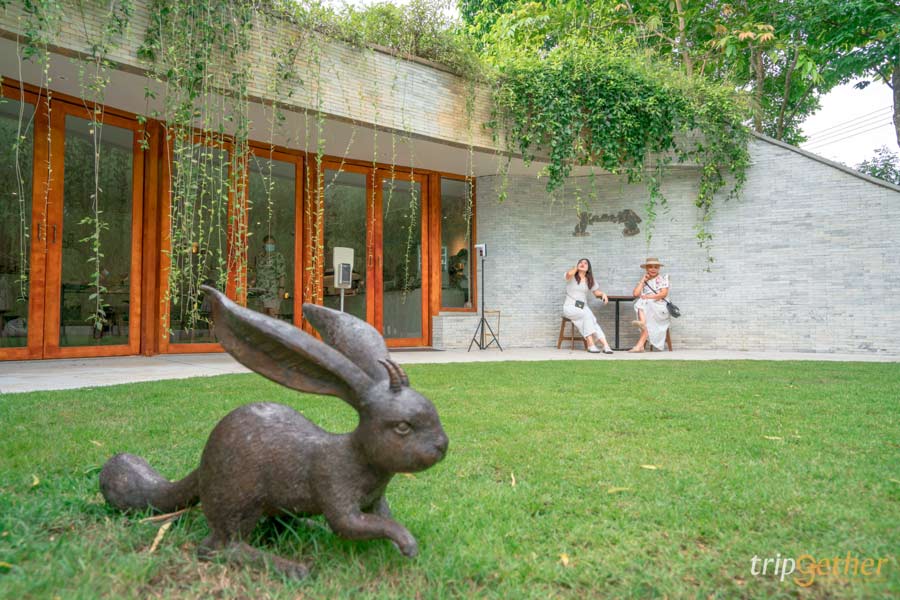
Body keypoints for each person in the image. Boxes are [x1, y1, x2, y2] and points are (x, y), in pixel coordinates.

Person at [563, 258, 613, 354]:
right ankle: (590, 344)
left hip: (582, 306)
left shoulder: (589, 279)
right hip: (570, 307)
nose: (582, 264)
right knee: (587, 315)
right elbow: (568, 274)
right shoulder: (572, 276)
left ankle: (606, 345)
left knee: (593, 320)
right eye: (580, 263)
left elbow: (596, 292)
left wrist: (603, 294)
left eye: (585, 263)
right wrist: (576, 268)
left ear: (588, 268)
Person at [629, 257, 671, 352]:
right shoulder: (645, 281)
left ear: (659, 269)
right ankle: (640, 345)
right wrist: (643, 280)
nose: (653, 269)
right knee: (642, 302)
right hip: (648, 307)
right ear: (646, 268)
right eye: (650, 267)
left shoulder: (663, 279)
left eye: (656, 267)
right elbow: (635, 294)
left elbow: (663, 294)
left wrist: (648, 297)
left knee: (643, 302)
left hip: (660, 307)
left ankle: (642, 325)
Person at [251, 234, 287, 317]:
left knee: (272, 313)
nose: (271, 245)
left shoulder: (278, 256)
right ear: (264, 244)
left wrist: (281, 288)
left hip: (273, 290)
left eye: (272, 244)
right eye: (269, 243)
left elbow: (282, 274)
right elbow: (256, 272)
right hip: (260, 290)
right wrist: (252, 284)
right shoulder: (259, 256)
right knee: (262, 315)